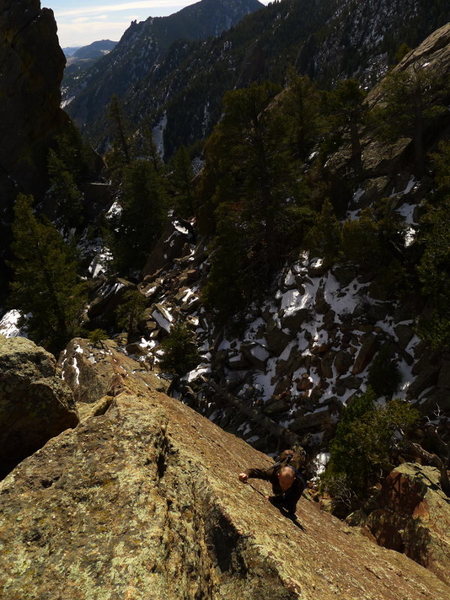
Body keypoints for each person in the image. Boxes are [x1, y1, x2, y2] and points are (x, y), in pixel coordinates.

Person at [238, 448, 307, 516]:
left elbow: (290, 500)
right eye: (283, 482)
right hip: (278, 481)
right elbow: (257, 472)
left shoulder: (298, 484)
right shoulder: (272, 473)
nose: (285, 486)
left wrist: (273, 499)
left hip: (291, 488)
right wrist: (246, 474)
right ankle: (279, 492)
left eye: (288, 484)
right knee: (277, 490)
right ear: (278, 476)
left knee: (290, 507)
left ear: (294, 479)